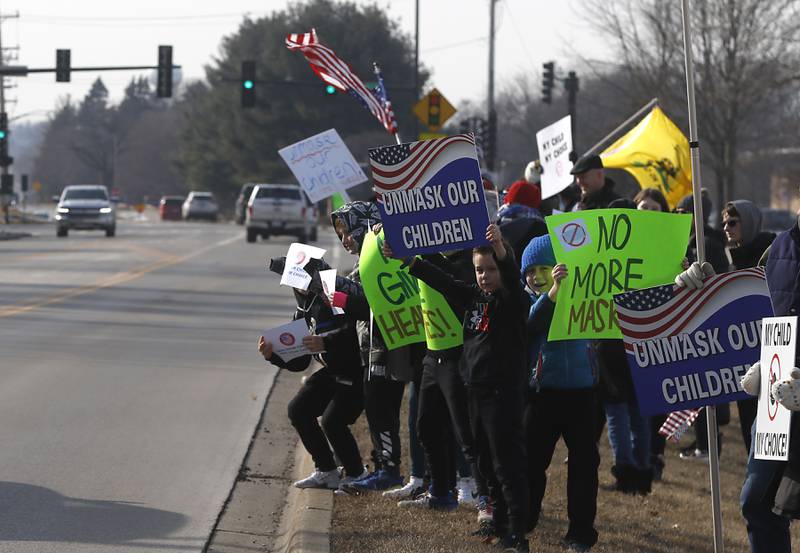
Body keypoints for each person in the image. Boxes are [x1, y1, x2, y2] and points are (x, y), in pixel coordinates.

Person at [386, 224, 531, 552]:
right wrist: (410, 261)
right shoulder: (475, 298)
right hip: (475, 392)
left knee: (505, 465)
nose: (484, 276)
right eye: (480, 270)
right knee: (483, 462)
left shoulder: (512, 302)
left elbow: (511, 280)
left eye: (490, 270)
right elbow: (444, 282)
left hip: (502, 396)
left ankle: (517, 535)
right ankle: (496, 521)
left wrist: (503, 254)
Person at [257, 256, 366, 490]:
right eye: (292, 280)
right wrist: (272, 355)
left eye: (302, 279)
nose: (298, 286)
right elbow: (300, 363)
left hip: (357, 371)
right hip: (332, 371)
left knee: (332, 421)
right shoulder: (302, 309)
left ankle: (357, 474)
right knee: (298, 409)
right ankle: (327, 471)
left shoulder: (332, 298)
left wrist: (327, 343)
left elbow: (354, 332)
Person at [522, 234, 599, 551]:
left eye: (545, 268)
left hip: (582, 394)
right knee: (530, 462)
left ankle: (580, 534)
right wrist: (551, 294)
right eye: (530, 270)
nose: (537, 277)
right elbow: (531, 324)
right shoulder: (527, 299)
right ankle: (523, 521)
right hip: (542, 395)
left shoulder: (584, 295)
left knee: (584, 466)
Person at [327, 201, 410, 492]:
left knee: (381, 407)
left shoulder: (380, 258)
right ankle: (381, 467)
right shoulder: (362, 260)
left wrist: (330, 290)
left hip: (388, 344)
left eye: (348, 232)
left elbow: (366, 304)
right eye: (341, 235)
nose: (345, 240)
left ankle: (389, 470)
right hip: (372, 347)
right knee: (376, 409)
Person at [674, 191, 731, 460]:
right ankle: (702, 442)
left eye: (683, 212)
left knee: (706, 388)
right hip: (691, 322)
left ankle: (709, 445)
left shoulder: (708, 244)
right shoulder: (689, 241)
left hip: (708, 323)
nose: (678, 217)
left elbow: (718, 283)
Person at [723, 200, 776, 455]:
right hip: (744, 360)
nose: (726, 227)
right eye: (724, 222)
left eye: (732, 222)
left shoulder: (772, 253)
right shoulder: (734, 259)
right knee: (749, 436)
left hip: (772, 356)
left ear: (750, 222)